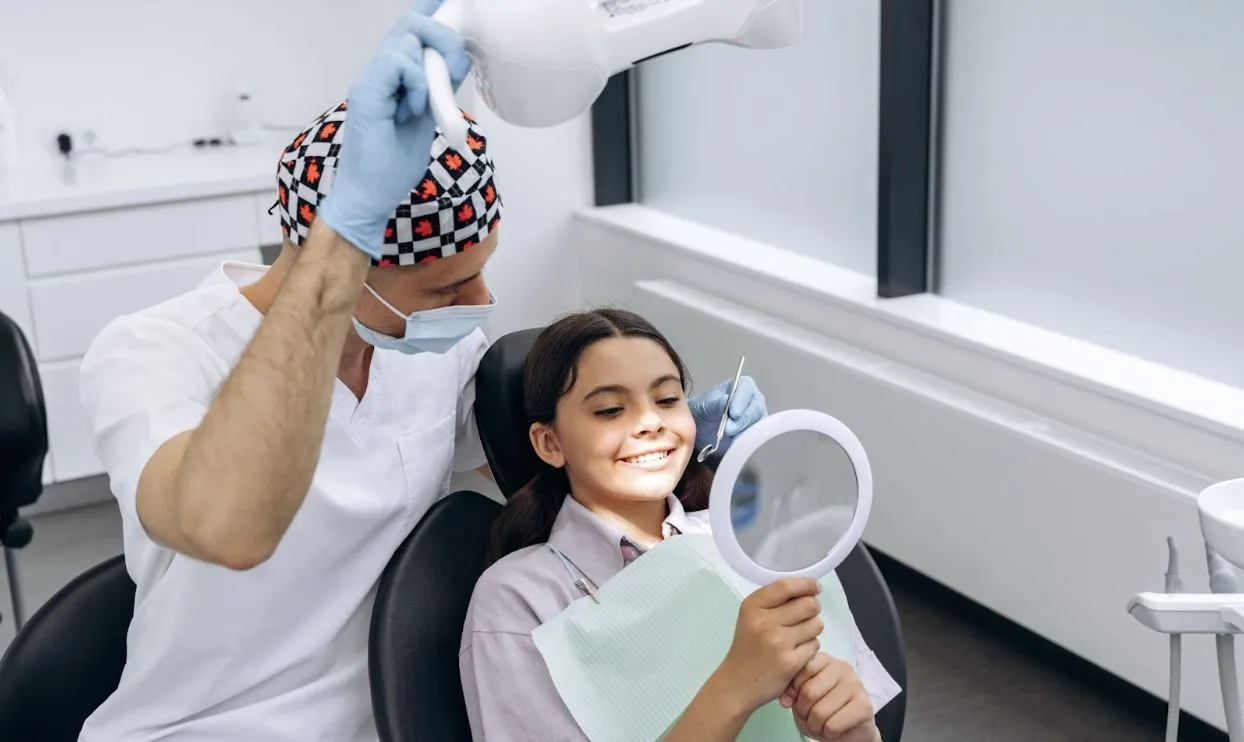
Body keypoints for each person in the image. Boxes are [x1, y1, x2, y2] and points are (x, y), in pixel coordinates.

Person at [72, 3, 766, 740]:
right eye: (444, 290)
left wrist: (668, 423)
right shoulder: (153, 353)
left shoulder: (430, 351)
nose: (480, 304)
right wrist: (351, 222)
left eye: (480, 273)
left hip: (402, 711)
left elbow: (552, 453)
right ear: (339, 259)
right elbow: (227, 526)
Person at [459, 309, 902, 742]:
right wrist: (736, 685)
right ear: (550, 442)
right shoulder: (520, 598)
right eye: (611, 409)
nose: (650, 421)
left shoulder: (749, 542)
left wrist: (855, 732)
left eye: (668, 399)